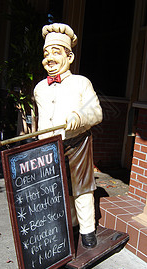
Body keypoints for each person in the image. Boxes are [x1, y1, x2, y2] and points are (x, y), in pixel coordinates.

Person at [33, 23, 103, 248]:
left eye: (56, 52)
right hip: (48, 148)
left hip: (77, 143)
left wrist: (79, 117)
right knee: (55, 190)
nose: (49, 58)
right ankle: (63, 228)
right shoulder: (39, 89)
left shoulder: (81, 83)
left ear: (69, 56)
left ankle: (87, 232)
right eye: (46, 53)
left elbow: (96, 112)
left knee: (81, 189)